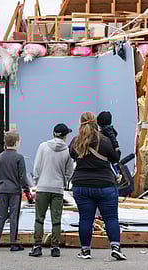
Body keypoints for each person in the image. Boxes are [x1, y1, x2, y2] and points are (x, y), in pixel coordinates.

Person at [69, 112, 127, 261]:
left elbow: (73, 155)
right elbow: (115, 159)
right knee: (111, 217)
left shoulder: (76, 141)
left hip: (81, 185)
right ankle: (115, 247)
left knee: (85, 219)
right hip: (104, 184)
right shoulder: (104, 140)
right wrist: (114, 139)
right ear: (95, 123)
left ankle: (85, 250)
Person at [29, 123, 74, 258]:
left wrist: (37, 182)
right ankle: (55, 247)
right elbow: (69, 171)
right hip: (58, 189)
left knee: (39, 218)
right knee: (56, 219)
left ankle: (37, 246)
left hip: (43, 187)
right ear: (65, 136)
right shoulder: (67, 150)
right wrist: (64, 181)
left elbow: (37, 167)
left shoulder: (43, 146)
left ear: (53, 133)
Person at [0, 131, 30, 252]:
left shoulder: (0, 156)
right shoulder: (19, 157)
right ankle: (13, 243)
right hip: (15, 191)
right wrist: (27, 191)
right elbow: (22, 177)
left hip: (2, 190)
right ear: (17, 142)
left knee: (0, 216)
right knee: (13, 216)